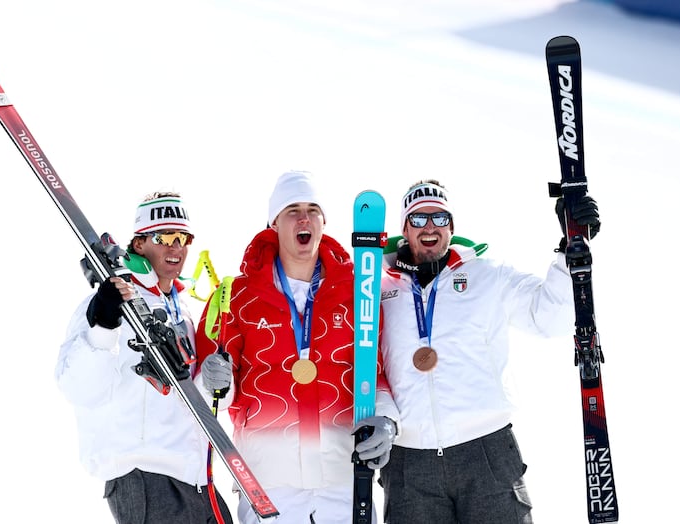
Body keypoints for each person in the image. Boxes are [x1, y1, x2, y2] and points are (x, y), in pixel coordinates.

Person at [377, 179, 601, 523]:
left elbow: (550, 318)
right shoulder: (377, 288)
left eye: (439, 217)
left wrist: (570, 245)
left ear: (452, 226)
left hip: (485, 452)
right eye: (418, 219)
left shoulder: (487, 276)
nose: (429, 227)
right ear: (404, 229)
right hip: (410, 460)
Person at [194, 170, 401, 523]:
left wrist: (388, 421)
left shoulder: (357, 291)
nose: (304, 218)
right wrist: (215, 381)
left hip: (345, 478)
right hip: (269, 482)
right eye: (292, 210)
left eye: (312, 210)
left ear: (323, 222)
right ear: (274, 223)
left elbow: (376, 371)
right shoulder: (238, 297)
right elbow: (211, 396)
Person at [55, 191, 233, 524]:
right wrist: (102, 327)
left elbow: (190, 399)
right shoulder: (112, 300)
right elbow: (78, 388)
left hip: (197, 480)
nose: (175, 246)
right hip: (145, 475)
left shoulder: (186, 312)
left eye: (183, 237)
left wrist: (217, 382)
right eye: (164, 236)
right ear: (139, 244)